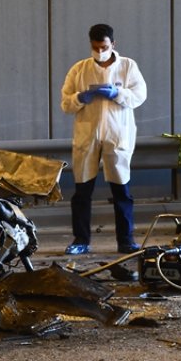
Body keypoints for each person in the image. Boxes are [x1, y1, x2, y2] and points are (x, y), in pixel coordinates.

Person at [59, 23, 148, 255]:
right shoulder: (79, 69)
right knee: (82, 192)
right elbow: (66, 103)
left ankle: (126, 240)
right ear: (91, 44)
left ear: (113, 44)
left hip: (117, 135)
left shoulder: (128, 66)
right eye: (96, 47)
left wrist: (118, 93)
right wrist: (81, 97)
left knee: (121, 190)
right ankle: (81, 240)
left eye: (104, 47)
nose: (100, 51)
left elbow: (139, 95)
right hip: (87, 136)